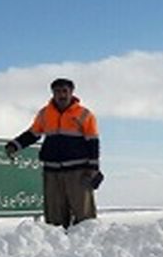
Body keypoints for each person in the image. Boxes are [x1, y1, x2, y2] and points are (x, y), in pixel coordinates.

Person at [7, 78, 104, 228]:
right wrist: (15, 145)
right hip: (52, 172)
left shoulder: (84, 114)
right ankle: (57, 249)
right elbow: (33, 133)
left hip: (77, 173)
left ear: (72, 92)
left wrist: (93, 169)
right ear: (52, 93)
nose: (61, 95)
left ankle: (85, 248)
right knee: (54, 219)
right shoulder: (45, 114)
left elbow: (93, 142)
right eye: (57, 91)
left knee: (84, 217)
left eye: (65, 91)